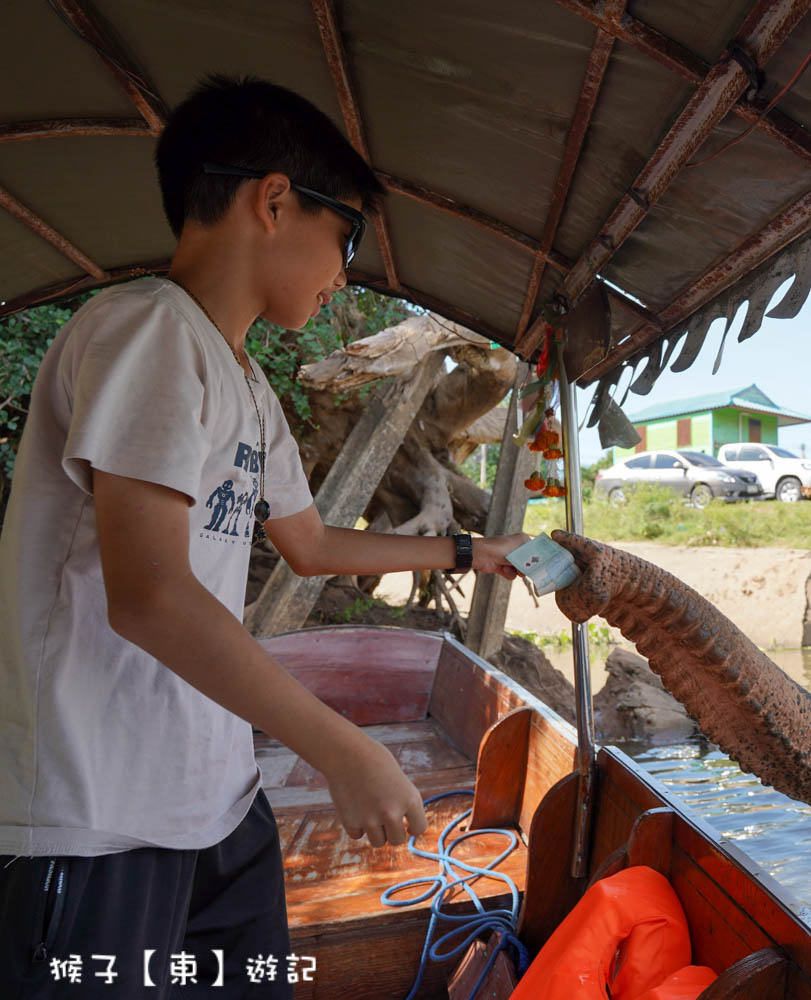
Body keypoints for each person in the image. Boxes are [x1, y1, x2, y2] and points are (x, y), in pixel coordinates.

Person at [0, 76, 530, 997]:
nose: (344, 274)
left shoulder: (243, 381)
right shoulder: (147, 332)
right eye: (348, 237)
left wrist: (466, 552)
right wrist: (343, 748)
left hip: (215, 806)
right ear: (275, 201)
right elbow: (151, 594)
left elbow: (313, 545)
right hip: (98, 821)